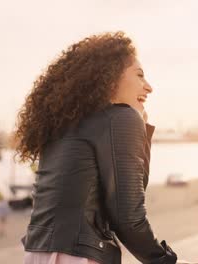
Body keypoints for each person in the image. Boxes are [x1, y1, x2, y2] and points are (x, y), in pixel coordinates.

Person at [15, 32, 177, 264]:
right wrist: (166, 261)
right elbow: (128, 216)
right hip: (78, 257)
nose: (148, 87)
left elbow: (128, 191)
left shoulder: (64, 124)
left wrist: (142, 130)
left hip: (38, 254)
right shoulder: (120, 118)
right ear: (109, 77)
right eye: (139, 75)